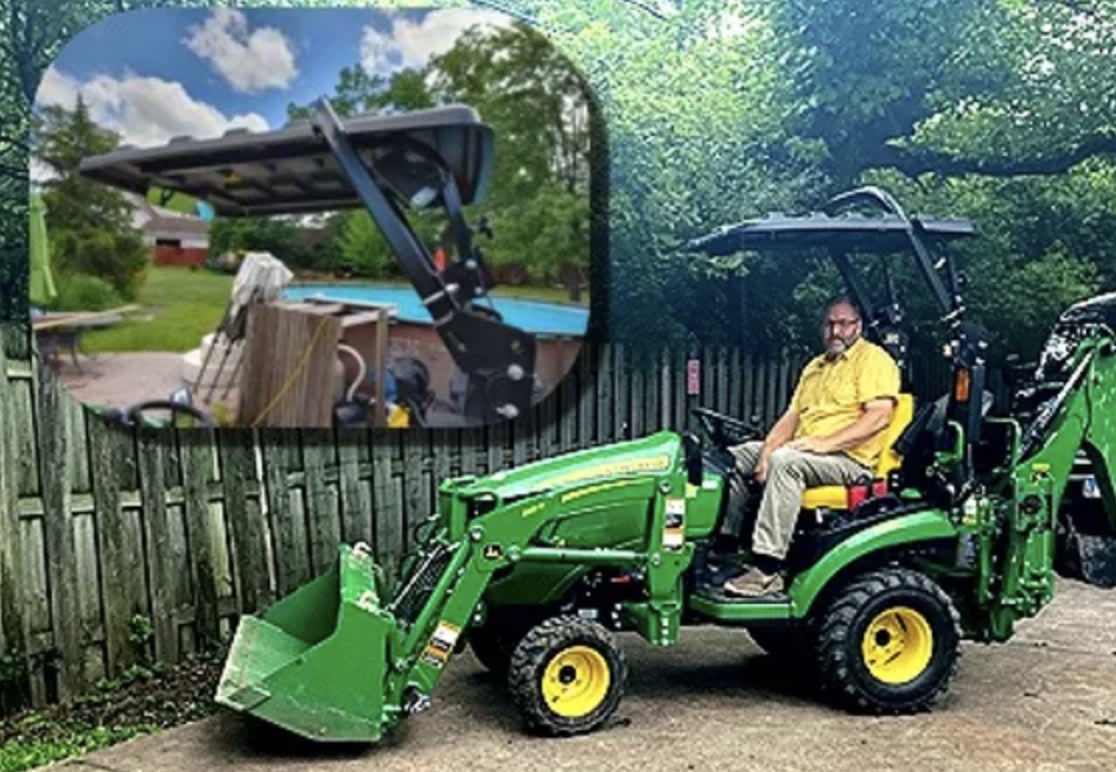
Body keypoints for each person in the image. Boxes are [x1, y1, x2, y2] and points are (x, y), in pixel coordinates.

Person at [717, 295, 902, 598]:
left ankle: (767, 568)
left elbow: (878, 418)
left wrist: (820, 445)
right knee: (732, 457)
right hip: (809, 449)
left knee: (787, 462)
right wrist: (765, 453)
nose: (835, 331)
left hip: (851, 461)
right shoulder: (815, 367)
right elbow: (791, 418)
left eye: (843, 323)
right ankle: (725, 547)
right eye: (829, 323)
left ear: (859, 325)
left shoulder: (874, 360)